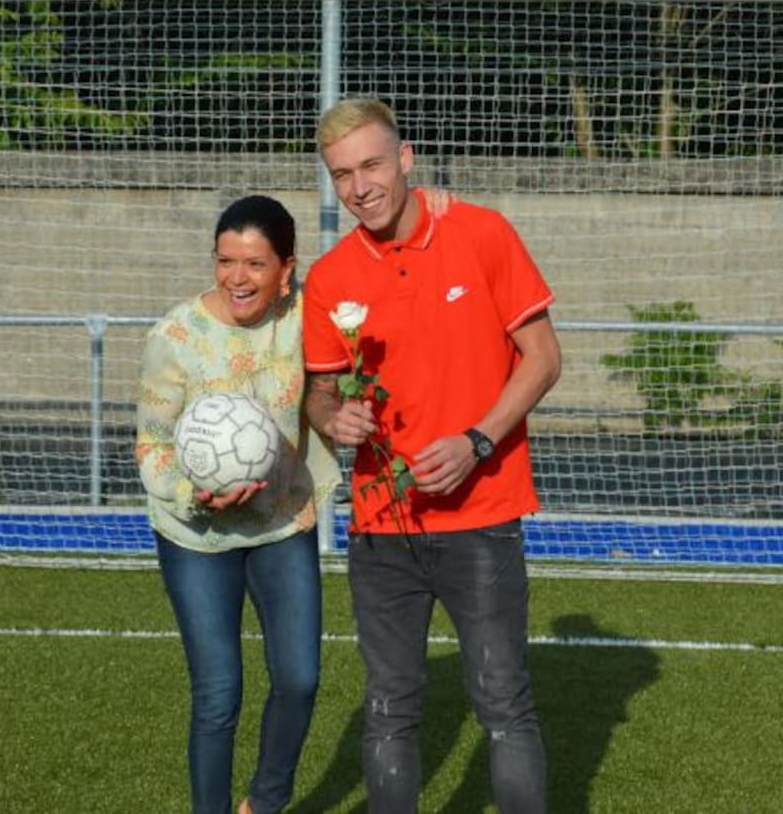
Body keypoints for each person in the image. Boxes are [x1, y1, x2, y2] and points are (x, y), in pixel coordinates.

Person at [302, 97, 562, 814]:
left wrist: (478, 442)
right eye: (342, 174)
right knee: (390, 708)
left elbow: (542, 358)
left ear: (406, 158)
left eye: (372, 165)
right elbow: (319, 397)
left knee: (502, 703)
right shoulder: (329, 279)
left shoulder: (482, 234)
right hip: (382, 529)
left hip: (482, 520)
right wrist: (335, 418)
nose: (360, 187)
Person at [135, 195, 340, 814]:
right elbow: (151, 445)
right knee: (219, 693)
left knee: (300, 678)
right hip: (195, 533)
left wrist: (430, 207)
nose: (236, 277)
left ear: (287, 268)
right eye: (226, 261)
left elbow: (373, 285)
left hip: (282, 522)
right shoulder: (175, 337)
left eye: (254, 264)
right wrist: (197, 491)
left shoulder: (307, 316)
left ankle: (265, 804)